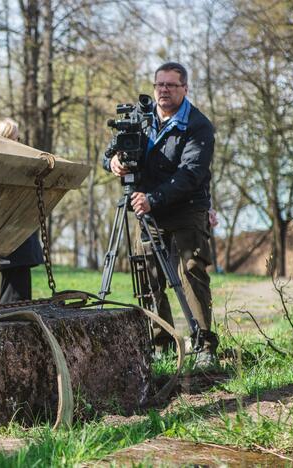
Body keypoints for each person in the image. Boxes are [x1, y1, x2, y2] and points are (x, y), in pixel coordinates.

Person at [102, 62, 218, 365]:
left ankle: (204, 344)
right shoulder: (141, 118)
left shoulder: (198, 125)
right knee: (148, 276)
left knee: (190, 271)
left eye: (171, 85)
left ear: (185, 89)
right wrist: (114, 161)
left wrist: (155, 197)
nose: (163, 91)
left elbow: (191, 174)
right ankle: (161, 341)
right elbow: (109, 153)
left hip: (185, 209)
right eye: (159, 85)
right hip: (146, 211)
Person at [0, 118, 43, 304]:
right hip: (10, 239)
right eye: (15, 138)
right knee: (14, 296)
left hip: (19, 238)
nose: (19, 142)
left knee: (18, 292)